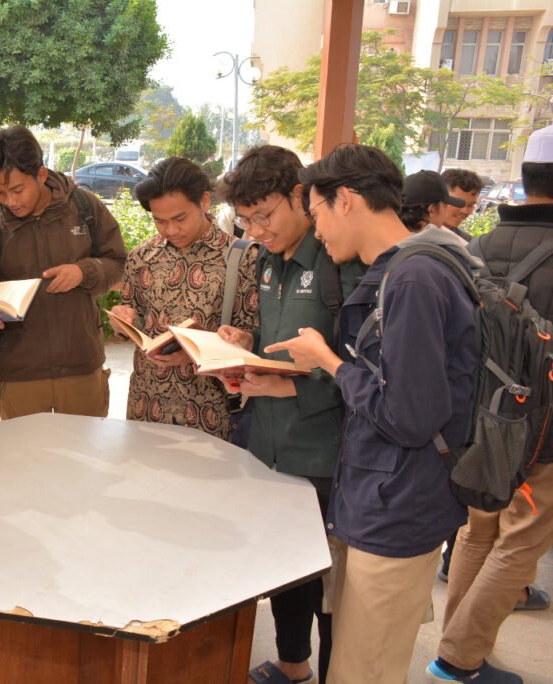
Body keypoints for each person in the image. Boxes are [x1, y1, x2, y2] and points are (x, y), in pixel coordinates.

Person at [265, 144, 478, 684]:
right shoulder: (403, 269)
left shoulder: (413, 279)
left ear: (347, 200)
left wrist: (329, 362)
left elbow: (410, 416)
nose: (317, 231)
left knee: (364, 670)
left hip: (399, 505)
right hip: (380, 497)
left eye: (316, 213)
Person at [218, 145, 363, 683]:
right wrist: (246, 343)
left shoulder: (339, 261)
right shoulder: (267, 260)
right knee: (286, 566)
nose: (256, 230)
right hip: (270, 445)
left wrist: (292, 391)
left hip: (324, 450)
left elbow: (360, 363)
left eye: (265, 215)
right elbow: (285, 340)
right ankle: (292, 663)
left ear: (301, 196)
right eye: (246, 220)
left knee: (332, 585)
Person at [427, 124, 553, 684]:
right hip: (543, 429)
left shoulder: (475, 247)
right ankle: (459, 657)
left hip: (480, 420)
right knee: (521, 540)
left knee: (478, 530)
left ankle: (458, 646)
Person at [0, 126, 126, 419]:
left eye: (17, 190)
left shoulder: (85, 208)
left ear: (41, 175)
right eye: (0, 192)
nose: (10, 201)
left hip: (82, 368)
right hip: (19, 376)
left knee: (85, 449)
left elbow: (120, 266)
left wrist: (84, 272)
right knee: (24, 451)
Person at [107, 156, 257, 440]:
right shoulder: (142, 257)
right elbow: (134, 313)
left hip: (211, 410)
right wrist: (123, 321)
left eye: (179, 219)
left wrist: (200, 351)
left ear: (204, 201)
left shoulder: (241, 258)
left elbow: (252, 336)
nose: (170, 230)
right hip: (147, 403)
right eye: (159, 221)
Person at [399, 170, 466, 235]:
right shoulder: (435, 241)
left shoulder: (396, 235)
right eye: (445, 206)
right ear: (432, 209)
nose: (445, 214)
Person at [439, 169, 483, 241]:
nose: (464, 211)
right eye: (458, 202)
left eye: (470, 205)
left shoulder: (468, 242)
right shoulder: (419, 236)